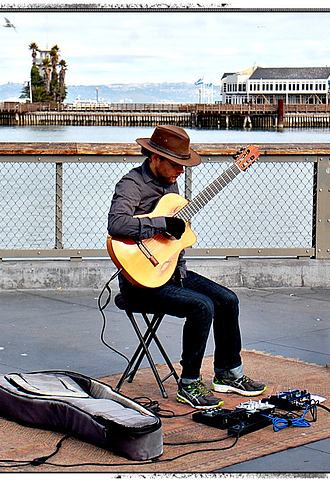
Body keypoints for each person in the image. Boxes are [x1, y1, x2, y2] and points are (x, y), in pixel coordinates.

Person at [107, 125, 266, 409]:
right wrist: (163, 224)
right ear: (155, 158)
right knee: (202, 306)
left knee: (228, 300)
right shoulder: (131, 185)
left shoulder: (172, 184)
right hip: (138, 283)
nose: (181, 171)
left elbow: (172, 232)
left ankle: (228, 373)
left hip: (171, 272)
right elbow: (117, 225)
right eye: (176, 164)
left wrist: (177, 232)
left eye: (184, 165)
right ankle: (189, 384)